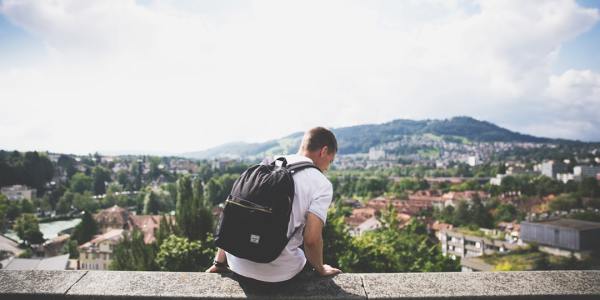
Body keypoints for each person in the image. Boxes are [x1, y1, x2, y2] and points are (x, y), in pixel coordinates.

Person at [206, 126, 342, 285]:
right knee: (302, 262)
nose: (327, 167)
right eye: (330, 161)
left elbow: (237, 211)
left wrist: (219, 262)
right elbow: (311, 240)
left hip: (237, 263)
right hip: (279, 273)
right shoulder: (321, 184)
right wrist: (321, 268)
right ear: (324, 151)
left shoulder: (267, 163)